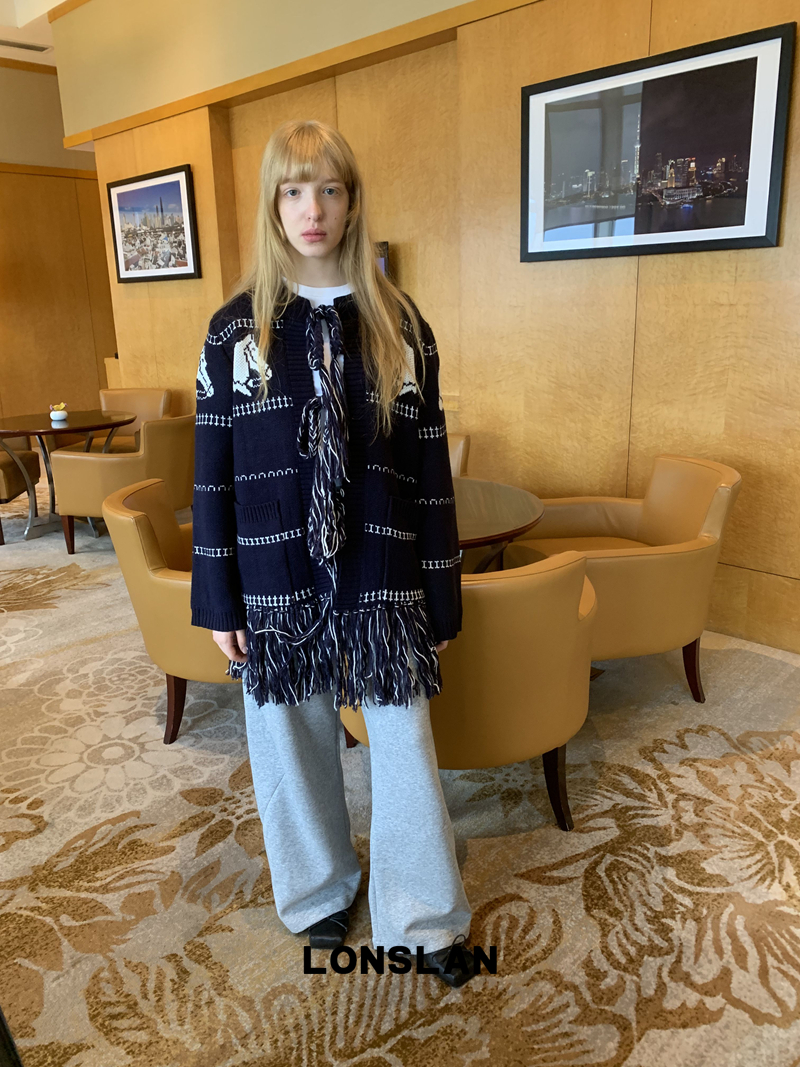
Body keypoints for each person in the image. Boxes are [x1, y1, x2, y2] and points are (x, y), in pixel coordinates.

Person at [191, 119, 476, 987]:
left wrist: (442, 594)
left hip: (383, 576)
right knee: (289, 741)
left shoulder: (402, 325)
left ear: (352, 202)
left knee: (403, 743)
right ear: (272, 204)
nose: (310, 209)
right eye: (292, 190)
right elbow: (212, 473)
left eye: (328, 189)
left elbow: (430, 472)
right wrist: (219, 598)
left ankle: (423, 917)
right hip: (272, 576)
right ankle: (317, 891)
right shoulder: (234, 332)